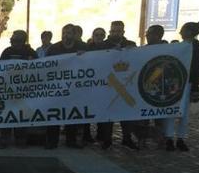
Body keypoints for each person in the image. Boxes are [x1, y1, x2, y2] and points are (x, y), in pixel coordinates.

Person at [163, 21, 199, 152]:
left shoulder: (198, 48)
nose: (181, 32)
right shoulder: (180, 46)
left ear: (188, 32)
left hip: (187, 82)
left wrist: (196, 85)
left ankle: (177, 138)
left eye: (183, 30)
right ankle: (172, 138)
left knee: (182, 112)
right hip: (177, 82)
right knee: (174, 110)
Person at [44, 24, 88, 149]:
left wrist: (85, 56)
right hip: (57, 87)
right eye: (64, 33)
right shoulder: (54, 48)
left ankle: (71, 141)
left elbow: (93, 61)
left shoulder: (83, 47)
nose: (65, 36)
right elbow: (46, 65)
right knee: (54, 114)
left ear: (75, 35)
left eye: (68, 33)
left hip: (75, 88)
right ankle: (52, 141)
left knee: (72, 115)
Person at [97, 20, 139, 150]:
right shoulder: (102, 46)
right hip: (108, 84)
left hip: (126, 84)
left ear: (123, 32)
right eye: (113, 31)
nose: (116, 33)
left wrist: (132, 52)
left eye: (118, 31)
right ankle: (107, 139)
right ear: (110, 31)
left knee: (126, 113)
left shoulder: (131, 45)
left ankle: (127, 138)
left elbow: (137, 60)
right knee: (108, 113)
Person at [0, 30, 37, 148]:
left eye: (14, 40)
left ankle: (20, 139)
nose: (11, 41)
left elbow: (38, 69)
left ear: (22, 41)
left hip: (24, 91)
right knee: (7, 114)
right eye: (11, 39)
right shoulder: (6, 52)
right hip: (8, 90)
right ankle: (5, 139)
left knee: (22, 115)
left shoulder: (31, 53)